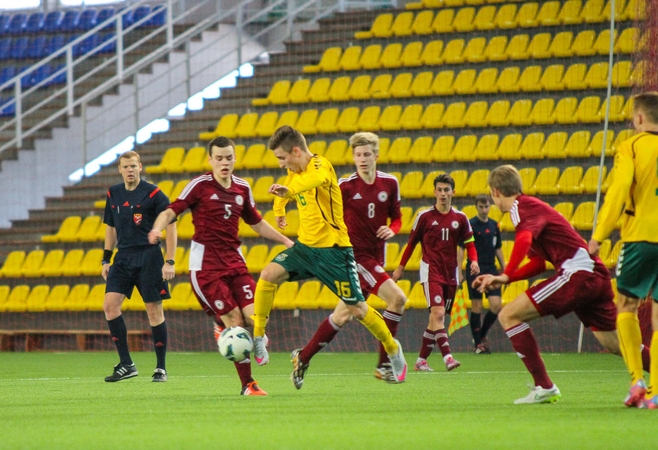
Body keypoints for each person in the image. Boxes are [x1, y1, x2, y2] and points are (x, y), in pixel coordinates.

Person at [250, 125, 408, 388]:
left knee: (357, 310)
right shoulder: (294, 171)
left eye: (282, 157)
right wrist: (280, 208)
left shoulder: (320, 166)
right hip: (305, 249)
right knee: (268, 275)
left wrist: (289, 193)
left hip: (335, 251)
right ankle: (258, 336)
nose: (281, 164)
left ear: (296, 151)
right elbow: (288, 184)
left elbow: (310, 182)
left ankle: (392, 349)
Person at [148, 136, 295, 396]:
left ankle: (234, 329)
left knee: (256, 315)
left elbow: (256, 222)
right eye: (219, 158)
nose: (224, 162)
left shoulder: (242, 188)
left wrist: (284, 240)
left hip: (235, 262)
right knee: (236, 322)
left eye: (229, 157)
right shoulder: (199, 185)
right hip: (206, 268)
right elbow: (173, 210)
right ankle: (248, 385)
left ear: (235, 158)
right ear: (210, 160)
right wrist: (157, 227)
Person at [473, 164, 624, 404]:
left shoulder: (519, 208)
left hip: (578, 274)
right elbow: (539, 264)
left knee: (509, 315)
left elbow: (523, 239)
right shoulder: (532, 209)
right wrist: (507, 277)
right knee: (617, 343)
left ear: (495, 191)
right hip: (595, 275)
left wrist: (505, 274)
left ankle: (544, 386)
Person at [588, 92, 658, 408]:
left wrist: (599, 235)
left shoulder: (630, 146)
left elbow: (618, 190)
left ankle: (637, 382)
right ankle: (656, 393)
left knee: (626, 306)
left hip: (640, 238)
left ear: (640, 119)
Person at [102, 150, 177, 383]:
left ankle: (160, 368)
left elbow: (172, 225)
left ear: (140, 167)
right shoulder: (113, 193)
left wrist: (170, 260)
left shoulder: (154, 193)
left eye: (134, 166)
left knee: (154, 311)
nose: (130, 170)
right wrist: (106, 258)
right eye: (126, 167)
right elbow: (111, 228)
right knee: (110, 306)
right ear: (120, 169)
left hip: (149, 257)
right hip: (123, 258)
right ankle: (127, 364)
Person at [393, 173, 479, 372]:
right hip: (431, 271)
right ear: (434, 192)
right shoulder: (424, 217)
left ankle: (421, 361)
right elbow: (411, 244)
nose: (442, 194)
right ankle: (448, 357)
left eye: (446, 190)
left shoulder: (461, 218)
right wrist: (400, 267)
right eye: (439, 190)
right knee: (438, 313)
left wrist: (473, 260)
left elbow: (469, 244)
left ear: (453, 192)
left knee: (436, 319)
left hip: (451, 274)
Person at [463, 194, 505, 354]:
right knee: (477, 305)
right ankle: (478, 344)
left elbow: (498, 247)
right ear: (476, 207)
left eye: (486, 206)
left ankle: (480, 335)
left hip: (491, 269)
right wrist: (459, 270)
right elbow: (462, 248)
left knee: (496, 305)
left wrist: (505, 268)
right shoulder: (470, 225)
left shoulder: (494, 225)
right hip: (475, 269)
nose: (484, 210)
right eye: (481, 206)